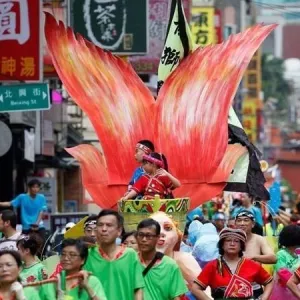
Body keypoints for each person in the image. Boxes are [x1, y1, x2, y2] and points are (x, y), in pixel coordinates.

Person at [191, 228, 274, 300]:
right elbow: (195, 288)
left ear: (241, 246)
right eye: (228, 240)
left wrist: (263, 298)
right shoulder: (213, 265)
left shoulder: (251, 265)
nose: (232, 244)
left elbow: (269, 281)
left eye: (236, 241)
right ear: (222, 245)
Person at [84, 209, 144, 300]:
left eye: (109, 225)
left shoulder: (130, 255)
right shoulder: (87, 255)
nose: (104, 229)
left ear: (119, 231)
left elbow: (138, 288)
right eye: (100, 225)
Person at [136, 218, 188, 300]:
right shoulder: (130, 262)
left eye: (148, 236)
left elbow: (176, 297)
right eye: (141, 235)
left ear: (158, 237)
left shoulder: (170, 265)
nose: (144, 239)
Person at [41, 239, 107, 300]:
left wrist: (87, 287)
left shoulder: (92, 281)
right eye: (63, 254)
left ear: (82, 260)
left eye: (72, 255)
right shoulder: (55, 279)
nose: (66, 258)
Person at [235, 210, 276, 298]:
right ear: (235, 224)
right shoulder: (229, 240)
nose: (242, 223)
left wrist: (253, 257)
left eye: (246, 220)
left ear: (253, 224)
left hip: (254, 288)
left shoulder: (259, 239)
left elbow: (273, 258)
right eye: (239, 220)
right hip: (233, 288)